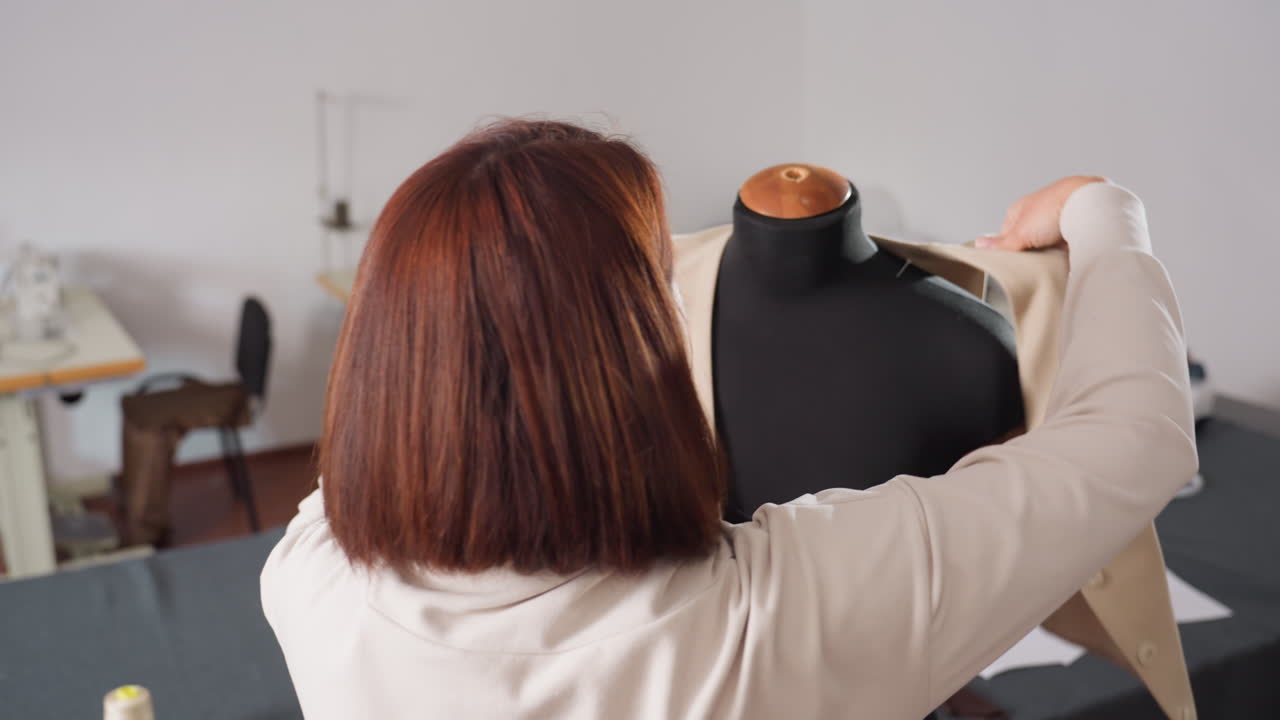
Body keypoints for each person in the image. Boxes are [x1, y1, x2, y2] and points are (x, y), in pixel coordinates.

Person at [261, 119, 1196, 719]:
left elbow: (390, 435)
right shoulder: (766, 624)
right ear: (625, 360)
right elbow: (1134, 438)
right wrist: (1102, 212)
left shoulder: (308, 583)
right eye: (656, 280)